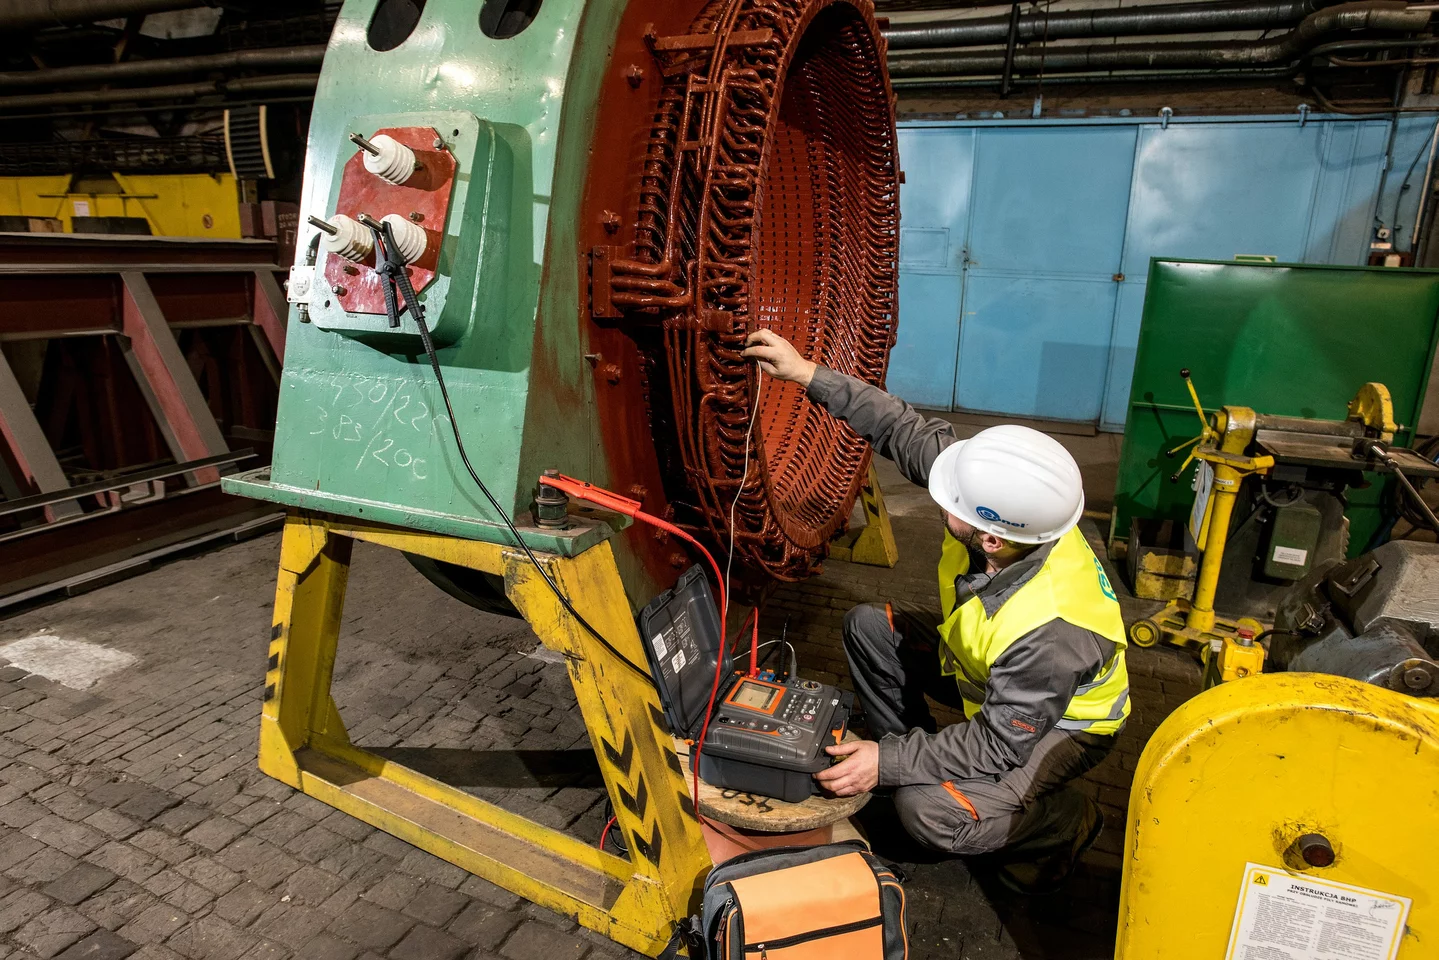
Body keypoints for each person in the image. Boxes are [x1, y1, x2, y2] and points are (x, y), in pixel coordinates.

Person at [742, 329, 1129, 894]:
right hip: (988, 675)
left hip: (1066, 725)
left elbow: (1000, 742)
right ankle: (906, 756)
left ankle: (1062, 823)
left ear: (991, 539)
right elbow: (900, 427)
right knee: (871, 626)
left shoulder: (1053, 631)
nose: (939, 491)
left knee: (927, 813)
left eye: (952, 501)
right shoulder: (1014, 509)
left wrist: (886, 762)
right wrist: (806, 373)